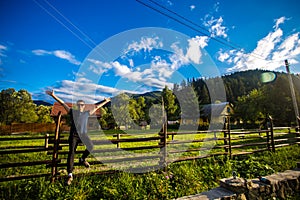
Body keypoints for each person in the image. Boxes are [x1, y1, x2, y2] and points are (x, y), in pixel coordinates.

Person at [46, 90, 111, 185]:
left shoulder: (86, 113)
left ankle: (82, 159)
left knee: (91, 146)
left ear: (84, 106)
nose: (80, 106)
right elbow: (63, 103)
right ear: (77, 105)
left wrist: (105, 101)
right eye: (79, 104)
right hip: (74, 135)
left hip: (84, 134)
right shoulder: (73, 112)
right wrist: (53, 95)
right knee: (71, 153)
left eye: (82, 105)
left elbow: (97, 106)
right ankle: (70, 174)